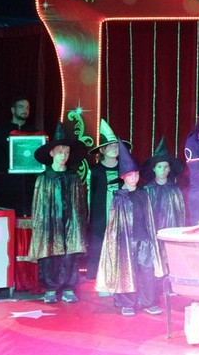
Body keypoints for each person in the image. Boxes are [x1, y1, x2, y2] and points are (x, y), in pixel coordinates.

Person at [95, 140, 164, 317]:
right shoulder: (119, 197)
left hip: (144, 239)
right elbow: (114, 223)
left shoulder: (143, 194)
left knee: (146, 270)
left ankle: (148, 302)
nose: (134, 178)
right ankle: (127, 303)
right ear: (123, 177)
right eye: (130, 175)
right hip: (126, 241)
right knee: (127, 270)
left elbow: (150, 217)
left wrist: (151, 237)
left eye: (136, 174)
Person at [28, 123, 88, 304]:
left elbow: (80, 205)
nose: (64, 155)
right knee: (50, 256)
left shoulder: (74, 178)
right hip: (50, 225)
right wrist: (41, 227)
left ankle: (69, 288)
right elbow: (38, 206)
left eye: (67, 152)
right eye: (60, 151)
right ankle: (50, 288)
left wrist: (78, 226)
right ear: (52, 153)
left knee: (69, 256)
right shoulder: (44, 178)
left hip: (70, 224)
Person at [0, 97, 40, 216]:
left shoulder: (35, 133)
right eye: (21, 107)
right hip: (5, 184)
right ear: (13, 110)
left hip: (28, 184)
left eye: (27, 107)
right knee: (5, 216)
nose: (25, 110)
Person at [86, 119, 128, 280]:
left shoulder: (124, 168)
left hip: (121, 212)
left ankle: (120, 272)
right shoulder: (95, 171)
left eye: (116, 146)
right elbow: (91, 193)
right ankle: (96, 272)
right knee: (98, 241)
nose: (113, 149)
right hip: (100, 215)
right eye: (109, 146)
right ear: (102, 150)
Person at [142, 136, 186, 273]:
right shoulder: (147, 190)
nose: (162, 170)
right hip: (153, 232)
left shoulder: (175, 190)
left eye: (166, 167)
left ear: (169, 170)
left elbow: (180, 215)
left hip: (170, 231)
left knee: (169, 258)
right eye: (159, 167)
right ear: (154, 169)